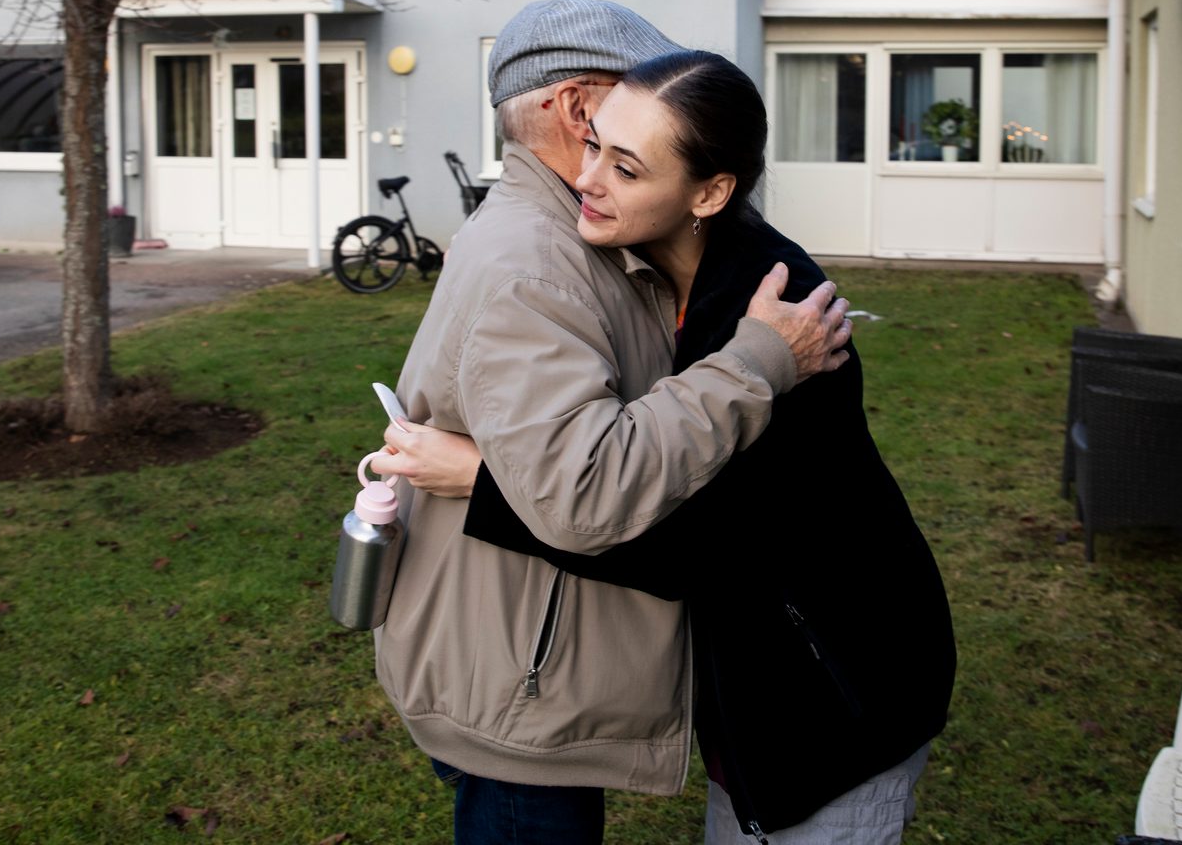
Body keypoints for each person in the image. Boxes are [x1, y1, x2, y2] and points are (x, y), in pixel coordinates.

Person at [382, 49, 957, 844]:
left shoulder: (776, 314)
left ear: (710, 192)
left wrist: (483, 480)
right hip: (754, 689)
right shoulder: (644, 273)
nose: (588, 180)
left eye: (626, 167)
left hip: (829, 692)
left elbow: (695, 547)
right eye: (593, 148)